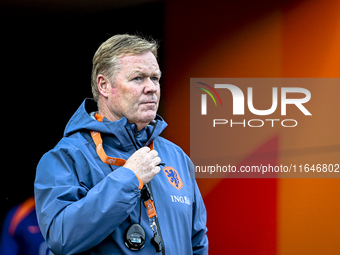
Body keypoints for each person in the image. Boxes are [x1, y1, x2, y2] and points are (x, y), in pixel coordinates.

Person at [34, 34, 208, 254]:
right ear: (104, 85)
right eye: (138, 78)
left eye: (155, 78)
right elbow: (61, 238)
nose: (151, 88)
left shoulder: (177, 157)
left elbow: (197, 242)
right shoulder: (66, 157)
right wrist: (128, 179)